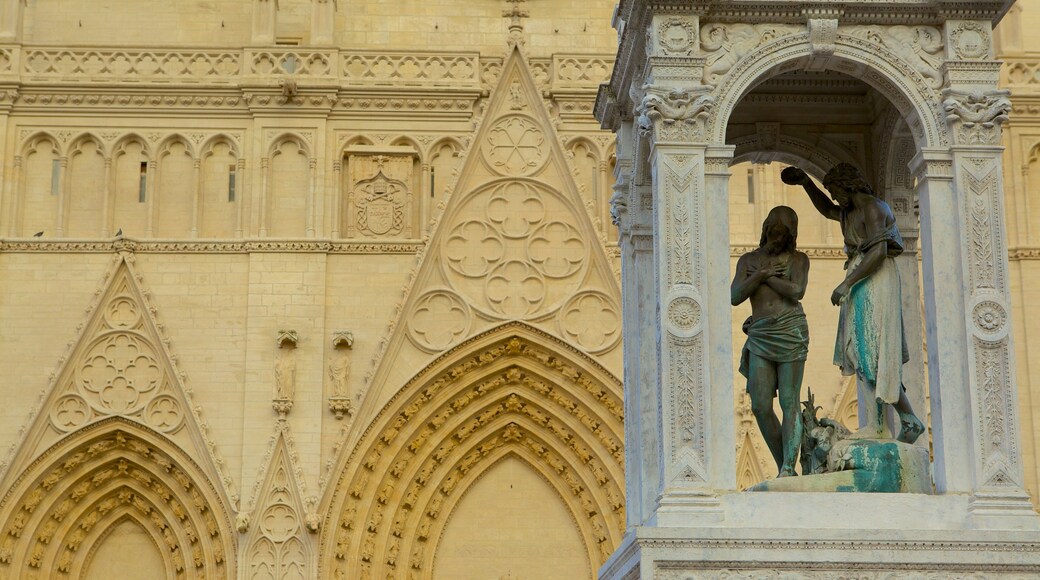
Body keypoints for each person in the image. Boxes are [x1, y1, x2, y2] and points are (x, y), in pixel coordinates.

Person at [782, 163, 924, 444]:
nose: (834, 198)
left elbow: (879, 252)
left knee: (871, 350)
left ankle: (880, 426)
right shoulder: (850, 211)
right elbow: (826, 209)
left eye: (835, 191)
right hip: (860, 277)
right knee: (860, 352)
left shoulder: (873, 208)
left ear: (848, 185)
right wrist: (806, 183)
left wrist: (847, 284)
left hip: (874, 278)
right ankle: (908, 419)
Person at [731, 206, 810, 477]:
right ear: (766, 231)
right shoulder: (748, 261)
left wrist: (769, 277)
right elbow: (735, 295)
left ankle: (788, 468)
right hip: (761, 335)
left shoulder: (798, 259)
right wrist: (760, 275)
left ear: (791, 236)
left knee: (789, 401)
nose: (778, 239)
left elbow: (796, 291)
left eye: (784, 235)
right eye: (774, 233)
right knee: (761, 406)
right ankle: (783, 463)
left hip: (790, 330)